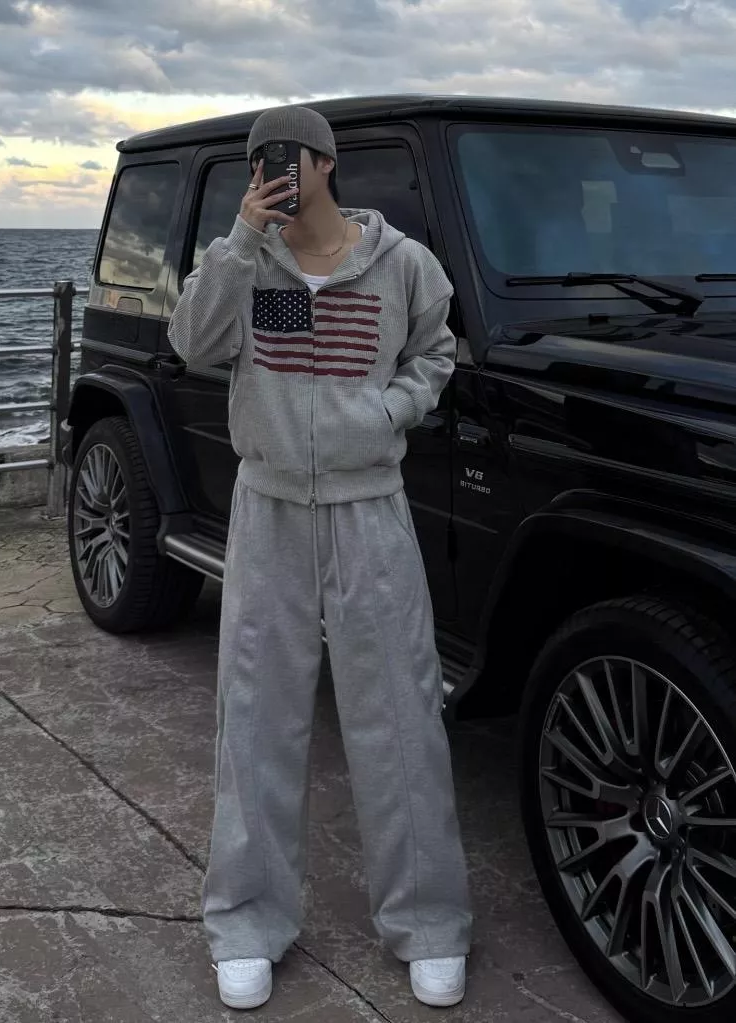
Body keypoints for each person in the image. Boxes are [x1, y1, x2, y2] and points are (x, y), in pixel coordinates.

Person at [168, 105, 471, 1011]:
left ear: (325, 163)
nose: (272, 172)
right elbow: (190, 342)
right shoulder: (244, 261)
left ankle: (429, 921)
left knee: (401, 714)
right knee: (256, 716)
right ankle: (246, 922)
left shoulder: (402, 264)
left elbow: (436, 353)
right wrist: (237, 241)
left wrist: (388, 413)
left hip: (369, 507)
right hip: (267, 509)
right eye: (258, 160)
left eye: (286, 157)